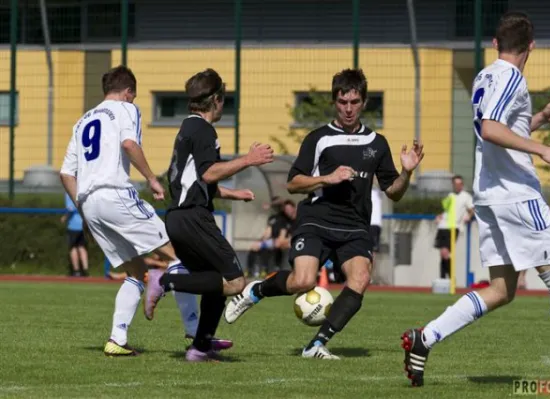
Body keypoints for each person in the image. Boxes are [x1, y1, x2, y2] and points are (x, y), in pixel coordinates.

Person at [401, 11, 550, 389]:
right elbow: (491, 130)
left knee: (501, 290)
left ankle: (424, 338)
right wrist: (542, 149)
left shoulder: (484, 75)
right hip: (517, 195)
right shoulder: (512, 77)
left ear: (494, 43)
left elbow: (495, 126)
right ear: (532, 47)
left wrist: (539, 116)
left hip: (490, 196)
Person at [224, 68, 424, 359]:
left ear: (364, 102)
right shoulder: (319, 139)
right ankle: (257, 290)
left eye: (354, 102)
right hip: (316, 220)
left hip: (355, 226)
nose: (348, 108)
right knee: (303, 281)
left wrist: (406, 172)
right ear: (335, 102)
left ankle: (316, 345)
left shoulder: (377, 143)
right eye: (343, 102)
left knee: (361, 277)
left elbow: (393, 191)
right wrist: (326, 178)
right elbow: (293, 182)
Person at [59, 66, 231, 357]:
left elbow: (66, 173)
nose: (135, 100)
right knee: (181, 255)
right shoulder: (125, 109)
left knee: (135, 271)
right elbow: (129, 143)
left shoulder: (82, 121)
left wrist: (84, 211)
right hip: (114, 193)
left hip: (88, 201)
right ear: (128, 92)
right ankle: (195, 333)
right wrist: (151, 178)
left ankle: (117, 339)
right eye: (135, 96)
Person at [143, 68, 274, 362]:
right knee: (236, 282)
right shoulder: (204, 130)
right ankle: (164, 281)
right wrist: (249, 160)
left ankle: (200, 348)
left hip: (179, 217)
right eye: (224, 99)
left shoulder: (186, 129)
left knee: (215, 281)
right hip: (193, 219)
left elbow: (194, 181)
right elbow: (208, 171)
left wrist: (231, 194)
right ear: (215, 99)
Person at [433, 175, 474, 279]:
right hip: (443, 226)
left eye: (460, 184)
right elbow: (447, 210)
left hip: (454, 227)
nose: (458, 186)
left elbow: (472, 209)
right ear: (453, 185)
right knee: (442, 254)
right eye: (456, 184)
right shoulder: (450, 195)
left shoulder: (466, 196)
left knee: (446, 253)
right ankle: (443, 279)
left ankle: (451, 279)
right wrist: (439, 216)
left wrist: (468, 217)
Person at [61, 192, 89, 277]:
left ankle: (76, 271)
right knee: (82, 247)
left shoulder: (69, 191)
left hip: (73, 225)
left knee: (73, 248)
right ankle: (85, 270)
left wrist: (65, 218)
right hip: (83, 224)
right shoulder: (83, 190)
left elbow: (70, 208)